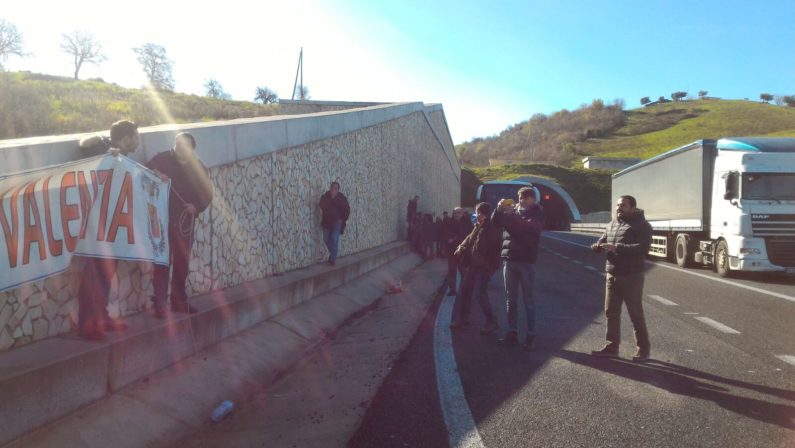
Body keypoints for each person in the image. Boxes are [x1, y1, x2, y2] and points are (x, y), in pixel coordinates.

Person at [76, 120, 139, 340]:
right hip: (96, 228)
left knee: (105, 275)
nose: (138, 142)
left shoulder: (123, 158)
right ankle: (87, 324)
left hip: (112, 227)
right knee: (95, 275)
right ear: (126, 137)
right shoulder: (100, 150)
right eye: (136, 137)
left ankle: (100, 317)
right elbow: (84, 164)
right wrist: (103, 156)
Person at [146, 132, 214, 318]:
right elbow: (145, 172)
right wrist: (156, 174)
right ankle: (159, 304)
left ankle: (179, 302)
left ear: (192, 150)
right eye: (178, 145)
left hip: (185, 221)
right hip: (163, 219)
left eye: (185, 147)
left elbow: (207, 194)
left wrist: (196, 206)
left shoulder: (199, 168)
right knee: (162, 262)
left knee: (182, 263)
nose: (180, 150)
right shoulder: (161, 159)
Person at [590, 195, 653, 361]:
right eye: (618, 205)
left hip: (632, 275)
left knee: (635, 314)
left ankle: (643, 350)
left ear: (633, 208)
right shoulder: (612, 223)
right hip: (612, 274)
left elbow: (643, 248)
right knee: (611, 312)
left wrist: (617, 247)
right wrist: (597, 246)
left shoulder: (642, 225)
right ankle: (612, 347)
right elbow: (603, 240)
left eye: (623, 205)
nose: (619, 208)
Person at [492, 186, 545, 351]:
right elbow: (495, 222)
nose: (521, 201)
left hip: (526, 262)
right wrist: (499, 209)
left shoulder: (537, 213)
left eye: (524, 198)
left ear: (532, 200)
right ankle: (512, 332)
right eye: (520, 198)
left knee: (528, 301)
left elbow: (531, 229)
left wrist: (511, 215)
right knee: (510, 300)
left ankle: (531, 335)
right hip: (510, 260)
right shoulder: (514, 211)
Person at [450, 202, 502, 335]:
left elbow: (494, 249)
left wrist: (487, 265)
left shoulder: (492, 228)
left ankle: (491, 321)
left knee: (480, 294)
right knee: (464, 292)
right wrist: (461, 247)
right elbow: (469, 239)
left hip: (483, 268)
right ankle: (463, 319)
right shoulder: (478, 226)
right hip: (473, 266)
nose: (476, 215)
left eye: (478, 212)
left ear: (484, 213)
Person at [319, 181, 350, 266]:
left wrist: (342, 219)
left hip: (337, 222)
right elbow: (321, 204)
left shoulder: (342, 198)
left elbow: (347, 210)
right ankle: (333, 253)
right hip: (327, 221)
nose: (334, 189)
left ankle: (332, 259)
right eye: (332, 187)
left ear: (338, 189)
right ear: (330, 188)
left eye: (336, 188)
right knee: (325, 238)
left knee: (334, 238)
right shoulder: (326, 196)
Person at [444, 207, 474, 296]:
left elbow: (469, 236)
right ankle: (452, 290)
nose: (457, 214)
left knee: (464, 271)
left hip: (463, 251)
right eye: (455, 213)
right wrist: (451, 239)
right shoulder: (449, 222)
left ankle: (465, 289)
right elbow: (445, 235)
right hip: (451, 251)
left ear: (462, 213)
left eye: (458, 212)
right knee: (452, 271)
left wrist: (455, 238)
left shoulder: (467, 223)